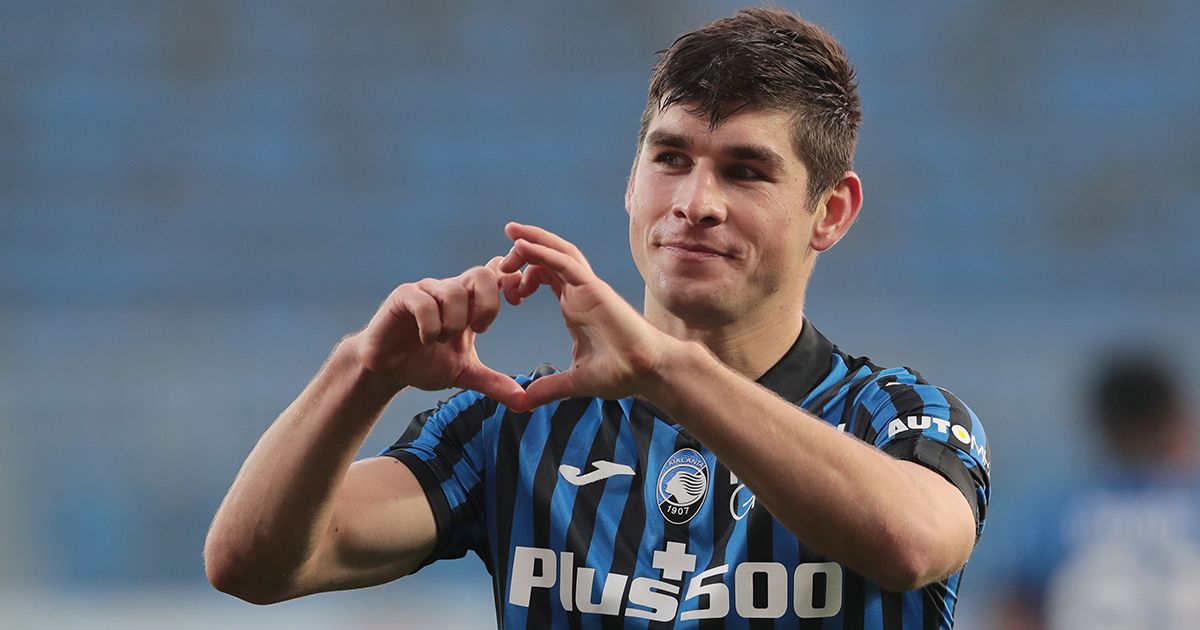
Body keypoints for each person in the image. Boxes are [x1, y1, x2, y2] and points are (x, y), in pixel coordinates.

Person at [205, 8, 991, 628]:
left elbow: (911, 543)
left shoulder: (892, 416)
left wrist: (666, 371)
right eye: (671, 158)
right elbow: (250, 564)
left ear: (831, 211)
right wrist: (361, 374)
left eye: (746, 171)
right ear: (631, 177)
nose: (695, 204)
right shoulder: (513, 427)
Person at [993, 351, 1200, 630]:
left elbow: (1014, 615)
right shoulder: (1191, 504)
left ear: (1102, 423)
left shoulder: (1053, 513)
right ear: (1173, 421)